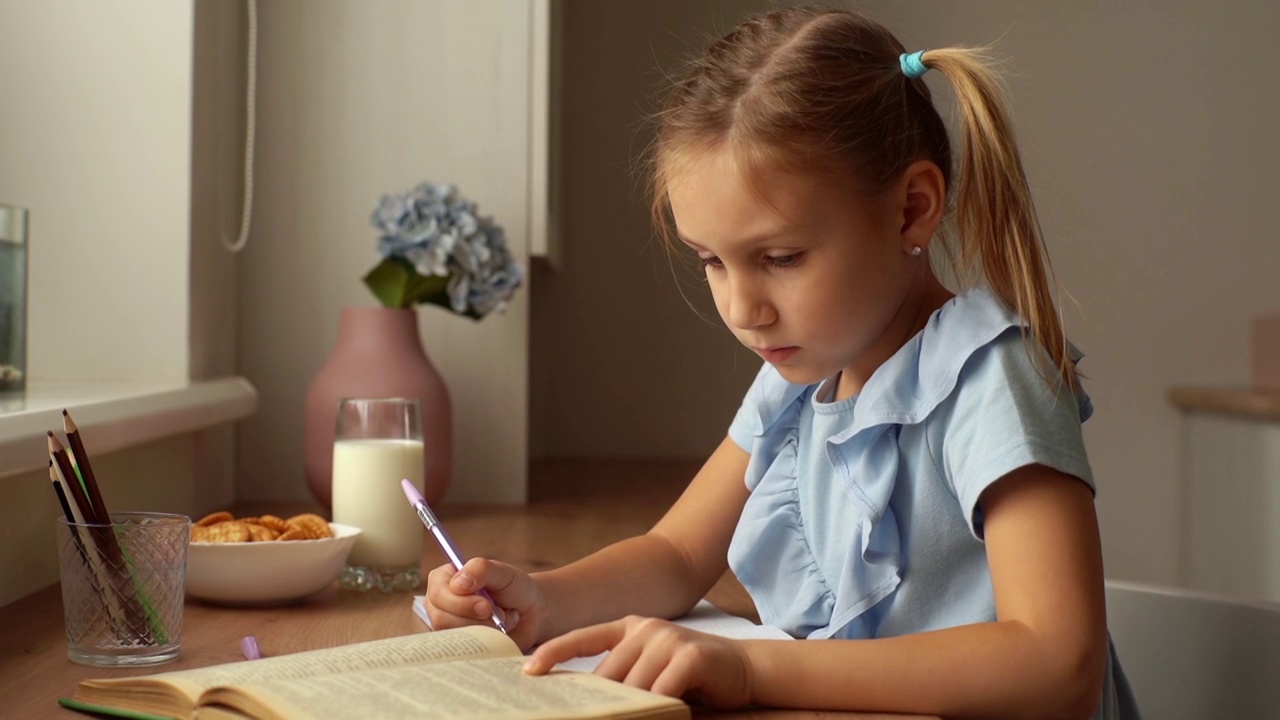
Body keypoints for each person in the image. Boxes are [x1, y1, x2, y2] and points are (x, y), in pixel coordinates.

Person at [424, 6, 1139, 718]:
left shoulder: (991, 379)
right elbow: (675, 554)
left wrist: (753, 665)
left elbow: (1056, 661)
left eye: (780, 258)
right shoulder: (800, 381)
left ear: (911, 209)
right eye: (711, 261)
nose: (742, 308)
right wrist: (542, 598)